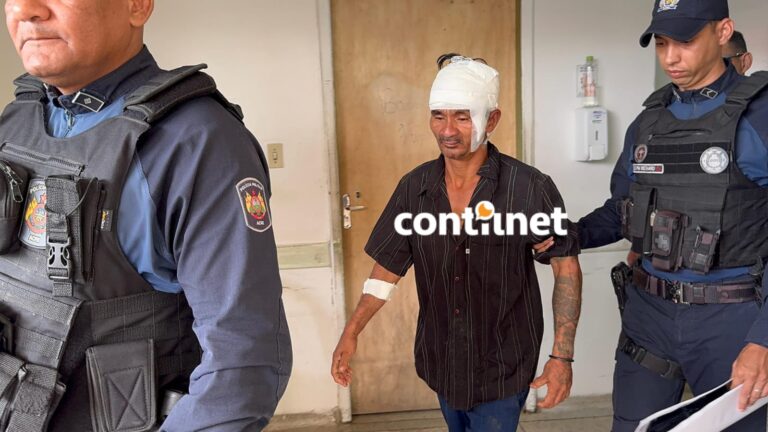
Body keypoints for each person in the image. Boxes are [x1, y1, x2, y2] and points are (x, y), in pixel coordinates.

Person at [1, 0, 291, 431]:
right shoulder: (16, 120)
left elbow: (243, 365)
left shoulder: (195, 143)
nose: (26, 10)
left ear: (137, 6)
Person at [537, 0, 768, 430]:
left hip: (731, 319)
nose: (670, 58)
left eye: (684, 41)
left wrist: (764, 340)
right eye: (661, 44)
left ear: (723, 32)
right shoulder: (647, 122)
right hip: (649, 316)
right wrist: (573, 235)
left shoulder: (760, 116)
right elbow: (622, 209)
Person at [331, 55, 583, 431]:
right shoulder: (414, 189)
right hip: (443, 361)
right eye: (439, 116)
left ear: (491, 120)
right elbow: (386, 270)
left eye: (462, 117)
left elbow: (565, 266)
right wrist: (351, 333)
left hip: (504, 362)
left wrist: (562, 357)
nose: (447, 130)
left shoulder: (529, 188)